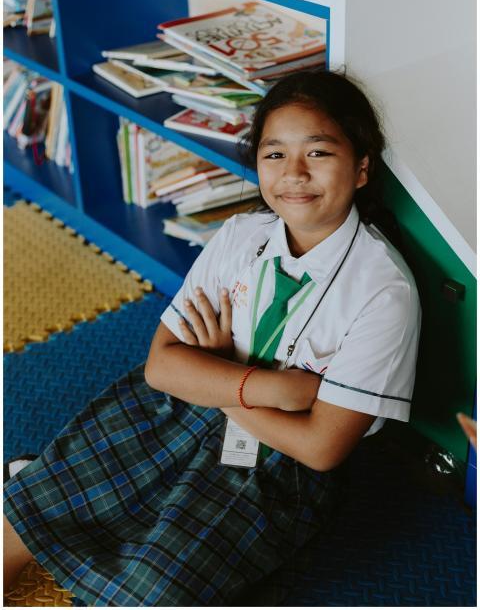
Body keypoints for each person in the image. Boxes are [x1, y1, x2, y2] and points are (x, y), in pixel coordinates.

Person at [3, 69, 421, 606]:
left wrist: (218, 375)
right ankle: (40, 480)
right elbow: (161, 369)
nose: (293, 173)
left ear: (361, 168)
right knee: (28, 510)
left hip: (279, 458)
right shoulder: (241, 234)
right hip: (194, 401)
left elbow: (320, 448)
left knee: (152, 587)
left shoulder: (384, 290)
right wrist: (276, 389)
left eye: (318, 153)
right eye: (274, 155)